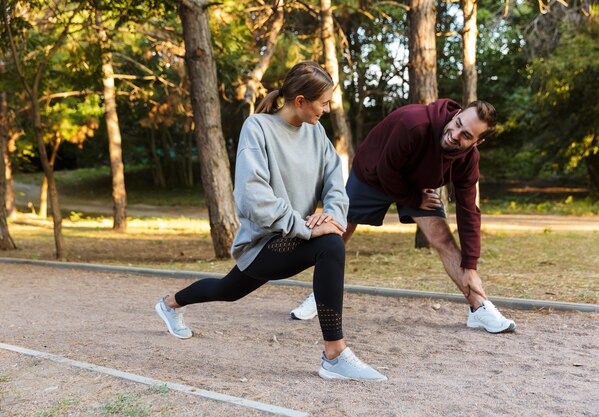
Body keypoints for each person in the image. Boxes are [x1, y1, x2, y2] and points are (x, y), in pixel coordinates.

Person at [155, 61, 387, 381]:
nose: (328, 109)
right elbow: (252, 195)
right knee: (323, 248)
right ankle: (334, 354)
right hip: (262, 242)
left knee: (231, 287)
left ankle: (170, 303)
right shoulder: (257, 128)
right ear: (301, 101)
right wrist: (303, 225)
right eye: (324, 102)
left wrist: (328, 215)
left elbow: (335, 181)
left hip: (293, 235)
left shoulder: (316, 132)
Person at [290, 98, 516, 334]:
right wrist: (416, 199)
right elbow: (386, 171)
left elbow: (469, 211)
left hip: (417, 184)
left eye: (466, 135)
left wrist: (470, 266)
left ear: (477, 142)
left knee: (443, 239)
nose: (455, 134)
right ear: (456, 113)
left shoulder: (468, 160)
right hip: (373, 175)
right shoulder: (413, 124)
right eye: (457, 123)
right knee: (338, 233)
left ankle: (478, 309)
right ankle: (319, 296)